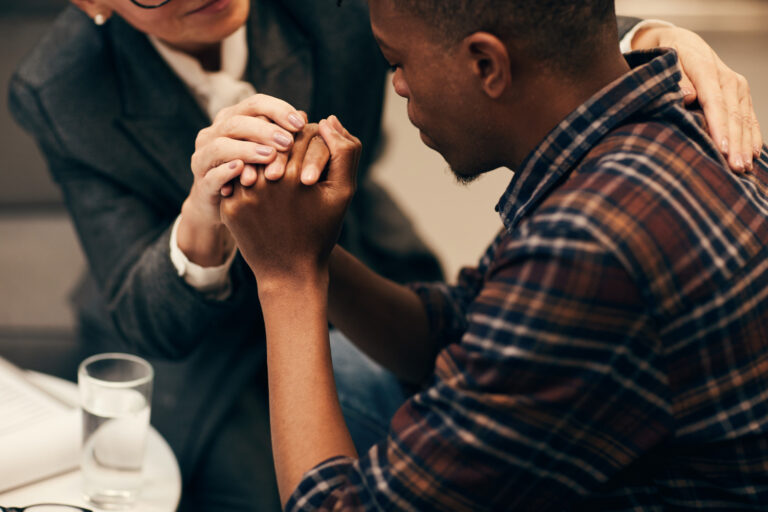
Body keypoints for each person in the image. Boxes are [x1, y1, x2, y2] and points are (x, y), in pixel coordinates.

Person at [6, 0, 761, 510]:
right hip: (204, 353)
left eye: (391, 60)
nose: (394, 86)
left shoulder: (581, 246)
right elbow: (524, 36)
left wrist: (291, 272)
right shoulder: (57, 86)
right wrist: (224, 226)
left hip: (327, 273)